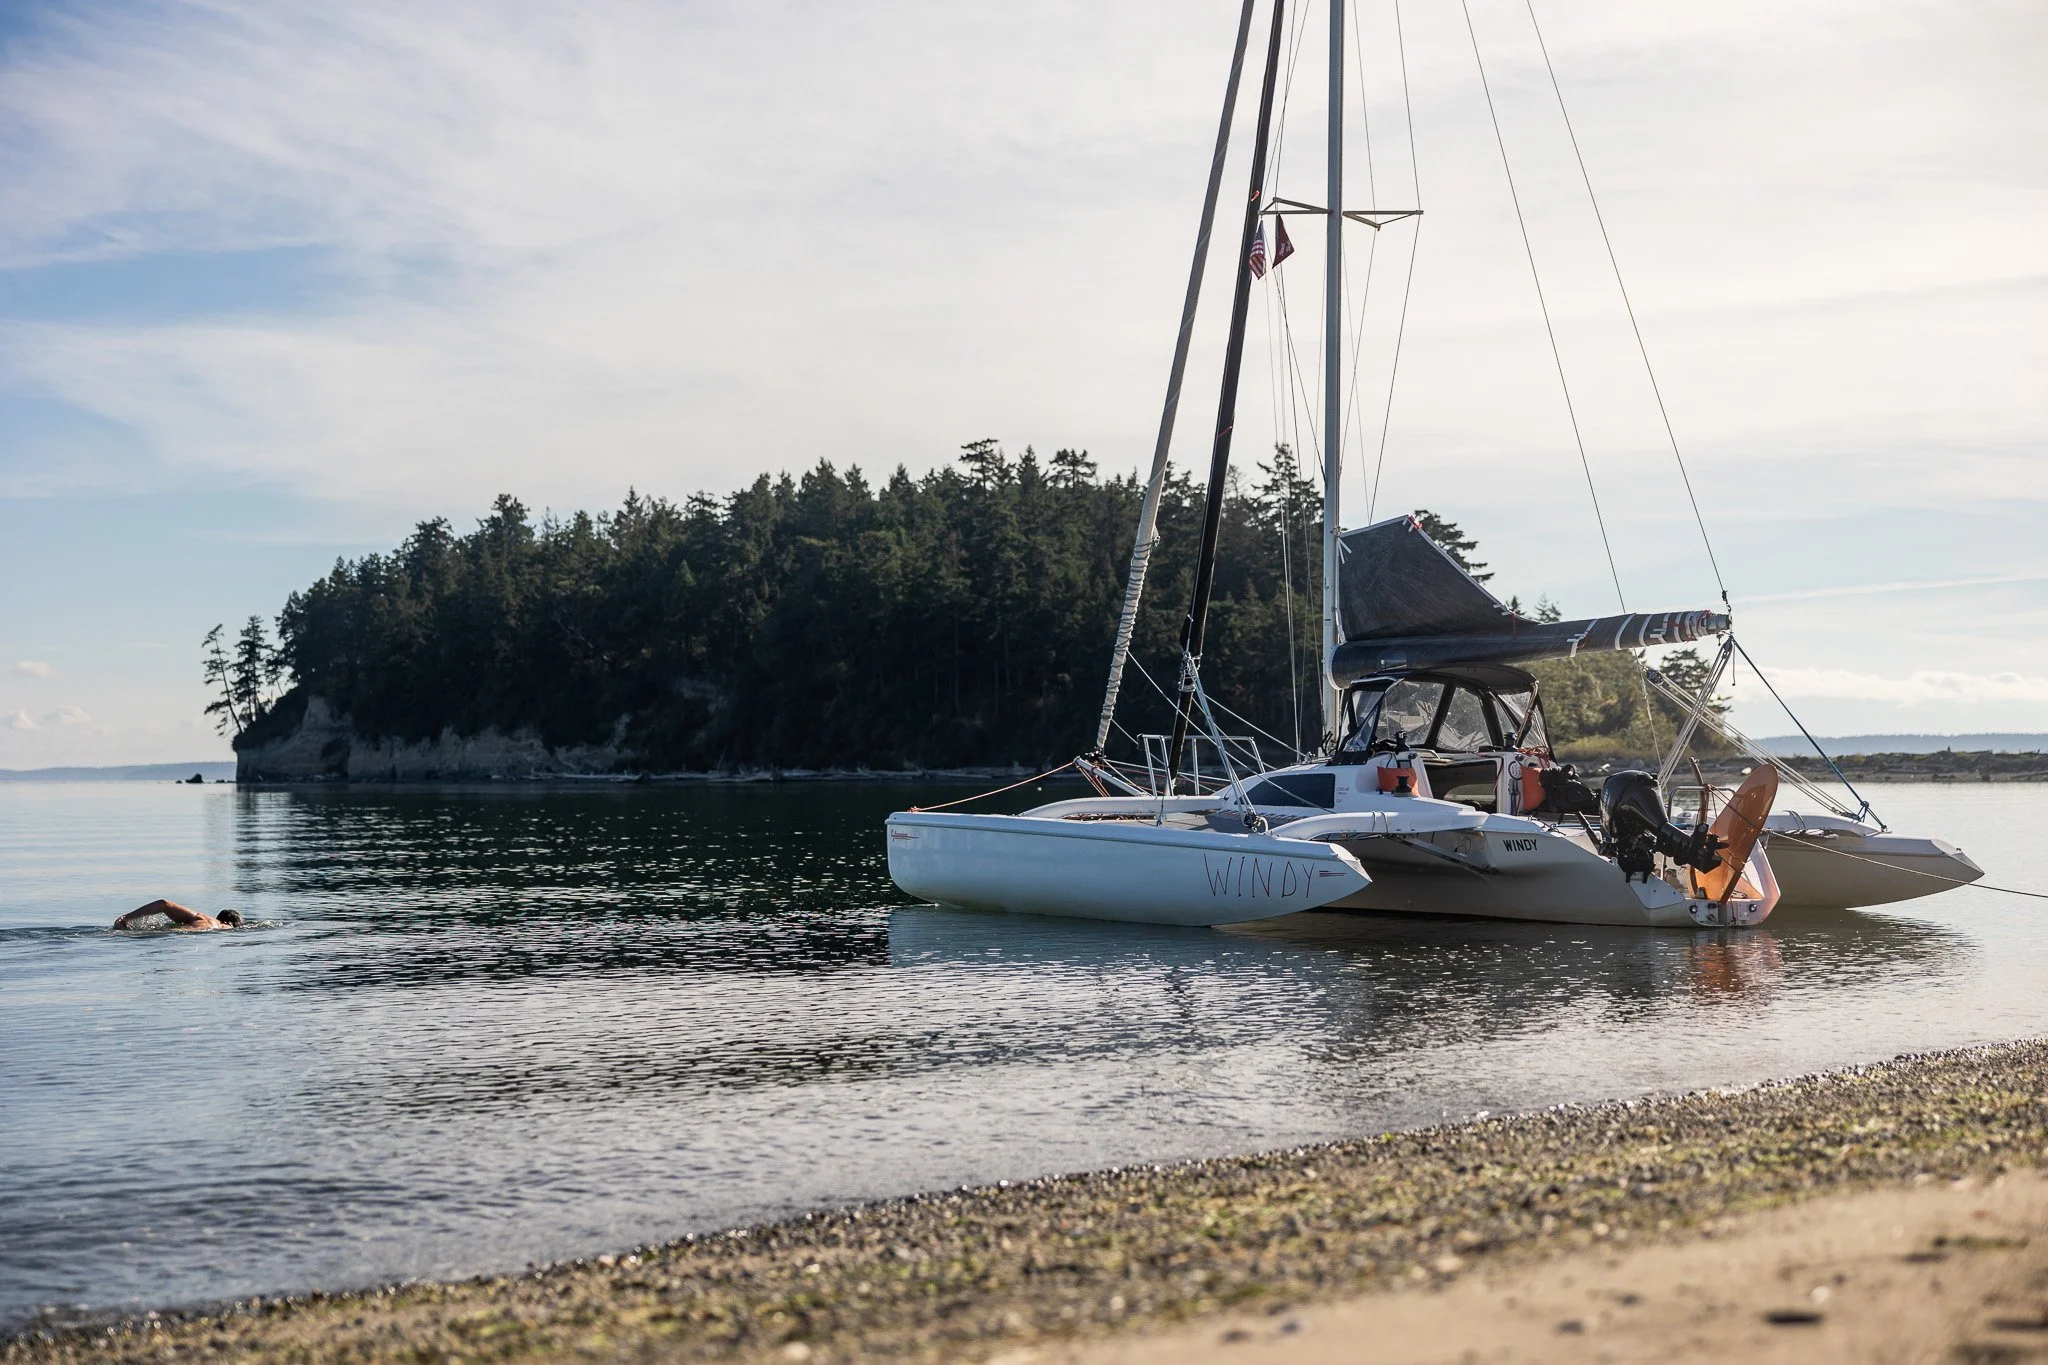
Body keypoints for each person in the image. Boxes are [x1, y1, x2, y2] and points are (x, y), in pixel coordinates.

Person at [112, 899, 243, 931]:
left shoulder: (200, 917)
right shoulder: (226, 928)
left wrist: (126, 917)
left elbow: (164, 904)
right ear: (230, 923)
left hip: (175, 935)